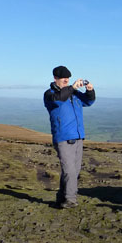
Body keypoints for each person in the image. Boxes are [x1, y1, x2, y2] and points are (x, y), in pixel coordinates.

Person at [43, 65, 95, 208]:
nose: (66, 82)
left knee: (74, 171)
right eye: (63, 80)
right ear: (55, 78)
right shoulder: (50, 94)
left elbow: (88, 102)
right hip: (63, 137)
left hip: (78, 136)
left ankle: (61, 198)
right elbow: (59, 99)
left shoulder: (73, 94)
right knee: (69, 171)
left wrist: (90, 91)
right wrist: (72, 88)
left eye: (68, 80)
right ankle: (70, 199)